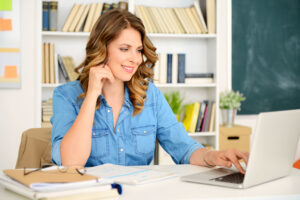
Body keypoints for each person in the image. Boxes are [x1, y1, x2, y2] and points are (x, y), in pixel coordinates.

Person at [51, 9, 248, 174]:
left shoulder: (149, 95)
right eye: (124, 49)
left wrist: (214, 156)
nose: (135, 59)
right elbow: (70, 163)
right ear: (102, 49)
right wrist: (93, 93)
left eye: (138, 50)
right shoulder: (65, 96)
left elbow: (183, 148)